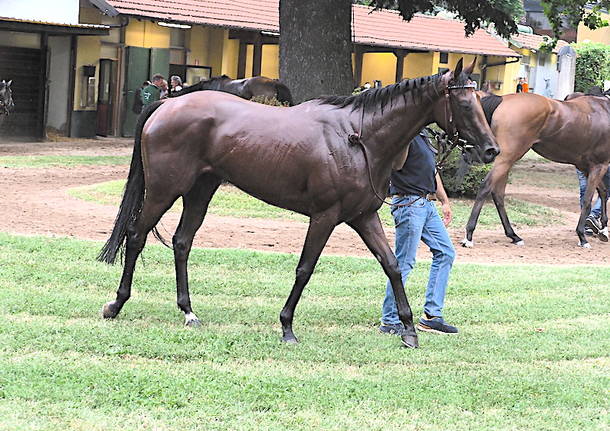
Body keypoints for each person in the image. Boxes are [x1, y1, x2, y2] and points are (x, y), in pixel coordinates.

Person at [380, 129, 458, 336]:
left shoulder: (423, 136)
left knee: (446, 252)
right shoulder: (403, 134)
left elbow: (432, 170)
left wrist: (444, 201)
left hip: (426, 204)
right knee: (404, 262)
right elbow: (396, 164)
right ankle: (389, 319)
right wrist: (407, 133)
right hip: (408, 203)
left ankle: (432, 317)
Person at [576, 167, 610, 241]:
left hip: (581, 162)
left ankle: (585, 223)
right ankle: (593, 215)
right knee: (606, 189)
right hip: (600, 161)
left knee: (584, 190)